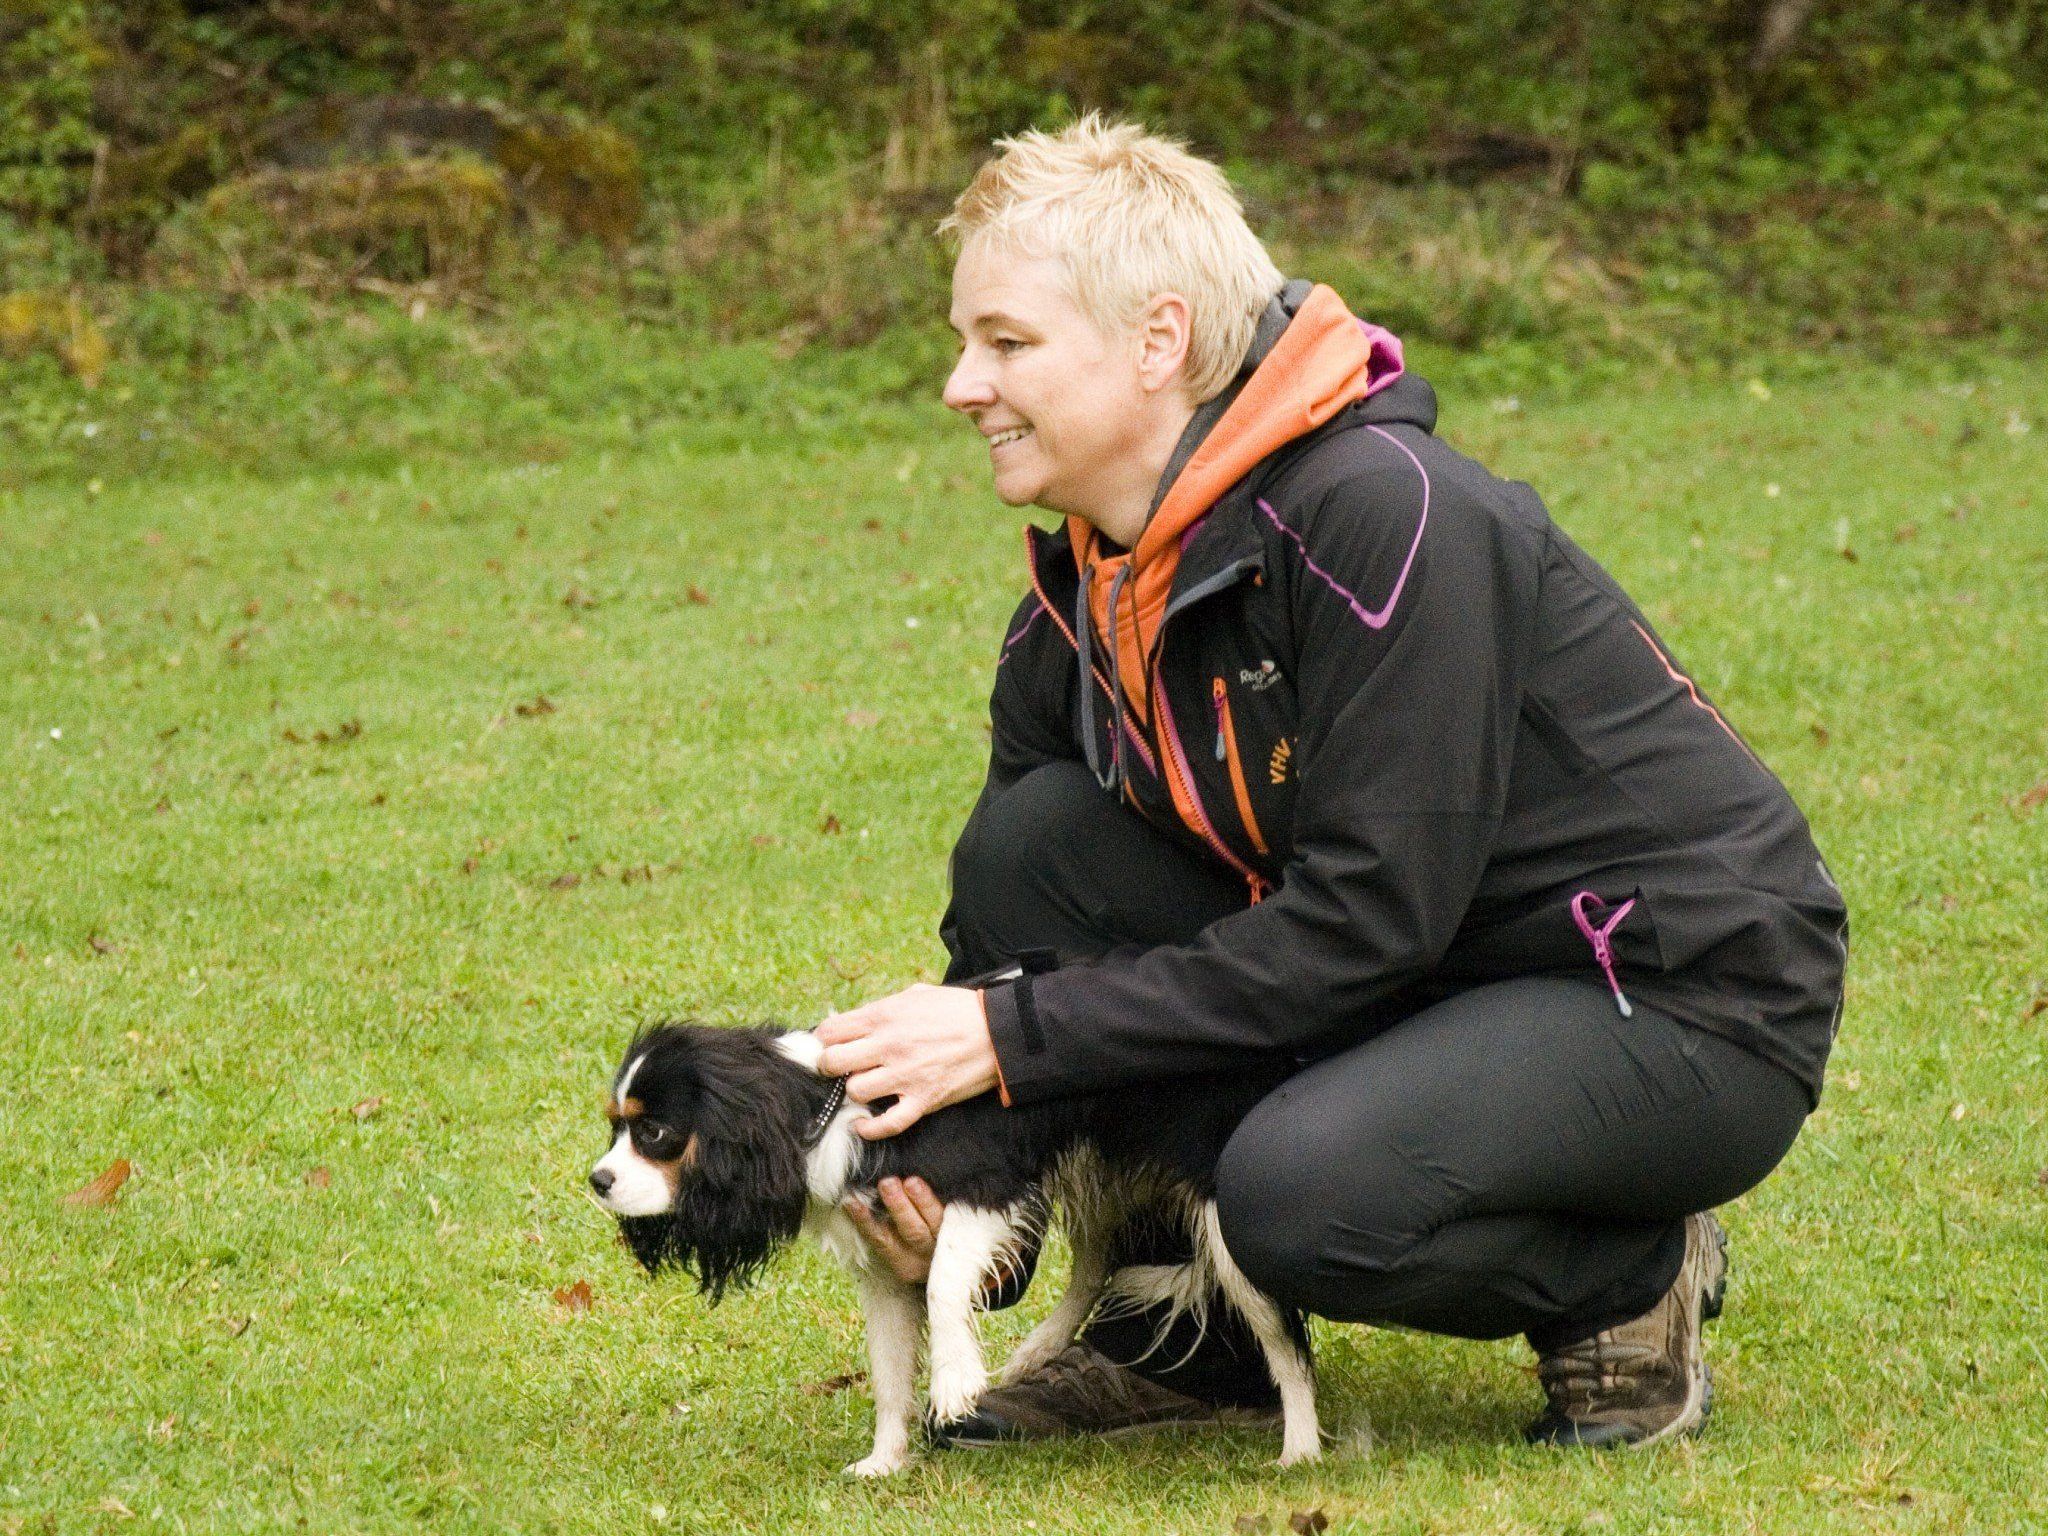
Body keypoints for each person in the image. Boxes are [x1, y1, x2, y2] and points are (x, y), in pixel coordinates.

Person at [814, 114, 1848, 1450]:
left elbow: (1369, 920)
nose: (962, 385)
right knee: (1036, 848)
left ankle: (1628, 1280)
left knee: (1297, 1198)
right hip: (1415, 976)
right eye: (966, 344)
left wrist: (1013, 1042)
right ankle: (1177, 1328)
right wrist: (954, 1203)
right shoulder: (1076, 600)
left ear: (1158, 341)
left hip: (1672, 995)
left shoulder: (1389, 515)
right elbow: (1023, 962)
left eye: (1005, 344)